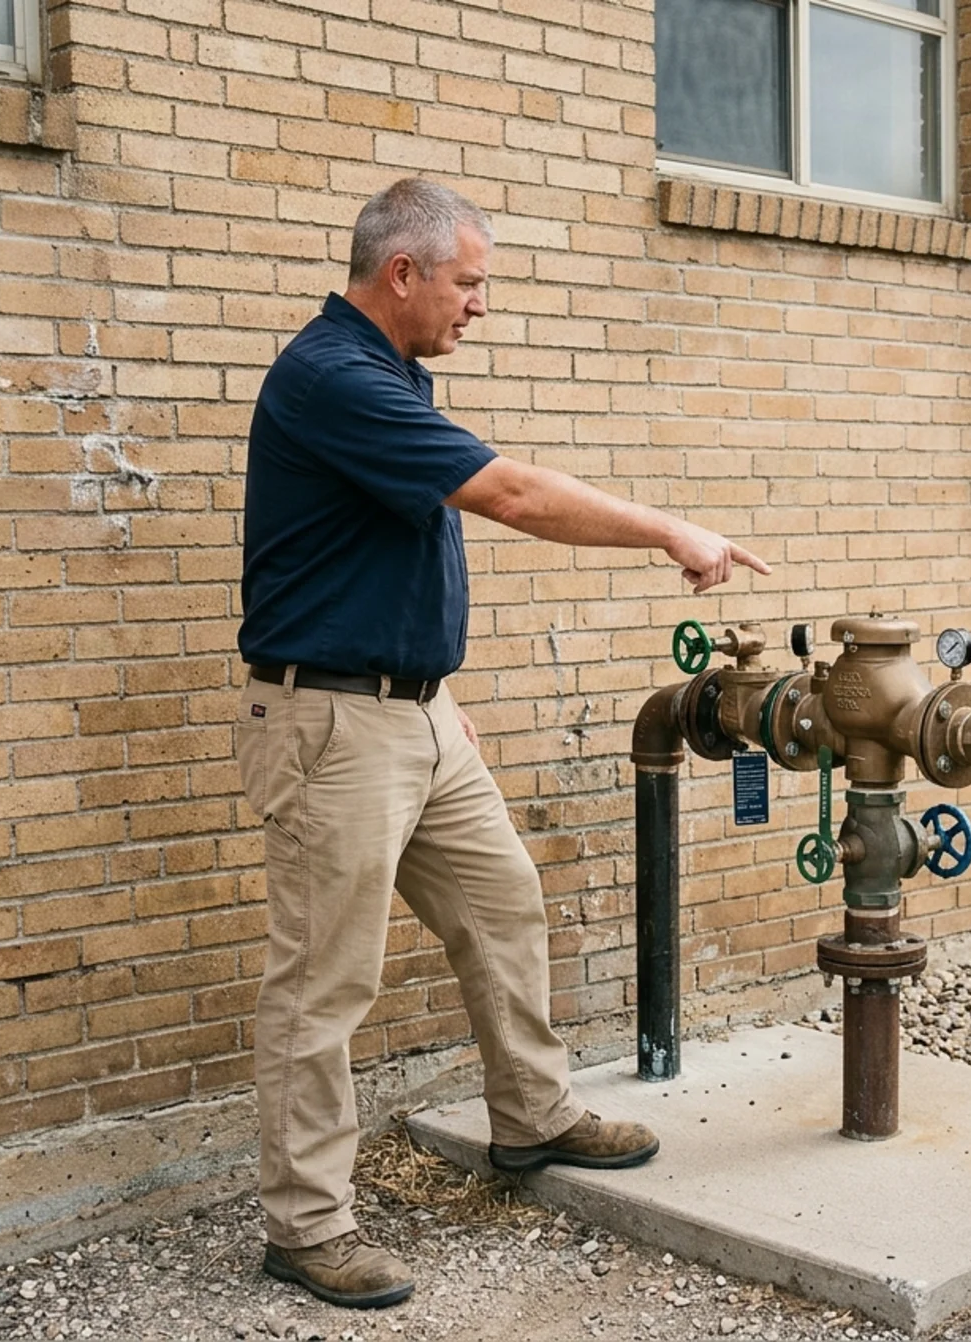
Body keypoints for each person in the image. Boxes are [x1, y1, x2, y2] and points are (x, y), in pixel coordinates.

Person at [236, 178, 770, 1310]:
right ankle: (306, 1227)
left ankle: (529, 1117)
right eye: (469, 282)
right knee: (322, 984)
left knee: (503, 899)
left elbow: (369, 558)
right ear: (404, 274)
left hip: (413, 714)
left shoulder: (389, 378)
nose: (480, 305)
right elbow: (515, 496)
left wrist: (430, 691)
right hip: (336, 725)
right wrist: (670, 529)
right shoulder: (332, 376)